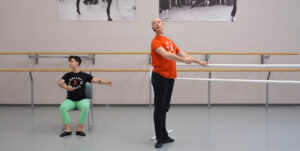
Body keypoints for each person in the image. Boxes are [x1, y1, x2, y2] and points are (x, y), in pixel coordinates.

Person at [151, 18, 208, 148]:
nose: (157, 24)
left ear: (163, 25)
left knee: (165, 107)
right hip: (160, 77)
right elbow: (166, 55)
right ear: (153, 28)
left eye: (158, 22)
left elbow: (183, 54)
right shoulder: (155, 42)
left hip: (170, 77)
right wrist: (184, 61)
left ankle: (164, 135)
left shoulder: (170, 41)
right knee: (159, 108)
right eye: (154, 23)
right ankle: (159, 138)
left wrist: (198, 61)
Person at [59, 56, 113, 137]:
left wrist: (107, 82)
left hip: (82, 100)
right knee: (62, 107)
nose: (69, 63)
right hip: (70, 100)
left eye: (71, 61)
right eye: (69, 61)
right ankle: (67, 130)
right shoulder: (67, 75)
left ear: (77, 63)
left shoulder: (84, 75)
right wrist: (66, 87)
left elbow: (96, 80)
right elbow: (60, 82)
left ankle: (79, 130)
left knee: (85, 107)